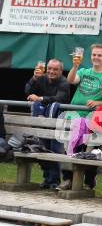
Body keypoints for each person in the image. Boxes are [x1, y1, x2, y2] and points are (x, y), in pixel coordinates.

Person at [57, 43, 102, 191]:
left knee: (91, 151)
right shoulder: (84, 71)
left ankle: (89, 181)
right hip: (75, 117)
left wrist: (98, 102)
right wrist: (74, 66)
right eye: (94, 54)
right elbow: (70, 80)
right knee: (69, 148)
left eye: (99, 55)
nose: (96, 57)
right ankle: (68, 179)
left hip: (94, 119)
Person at [24, 58, 70, 189]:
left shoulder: (64, 82)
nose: (51, 71)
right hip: (43, 121)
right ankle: (48, 179)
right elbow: (27, 91)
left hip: (58, 122)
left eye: (55, 69)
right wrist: (33, 78)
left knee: (55, 151)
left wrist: (40, 98)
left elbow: (60, 98)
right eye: (49, 68)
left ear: (61, 71)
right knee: (42, 148)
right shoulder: (41, 78)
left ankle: (55, 180)